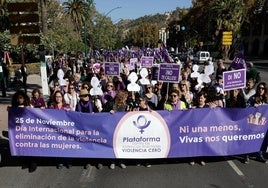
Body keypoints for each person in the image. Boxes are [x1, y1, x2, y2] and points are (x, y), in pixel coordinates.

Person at [9, 90, 37, 172]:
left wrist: (30, 109)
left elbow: (35, 115)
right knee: (23, 147)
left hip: (30, 131)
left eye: (21, 98)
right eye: (18, 98)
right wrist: (9, 110)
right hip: (20, 131)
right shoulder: (15, 108)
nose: (19, 100)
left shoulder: (30, 106)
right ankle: (25, 162)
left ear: (24, 99)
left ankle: (33, 164)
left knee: (30, 147)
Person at [103, 90, 129, 169]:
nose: (126, 99)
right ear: (121, 98)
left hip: (121, 127)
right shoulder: (110, 103)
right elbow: (102, 113)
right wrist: (108, 112)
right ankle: (112, 161)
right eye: (125, 98)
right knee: (113, 145)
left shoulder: (125, 105)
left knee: (120, 145)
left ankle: (120, 161)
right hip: (111, 127)